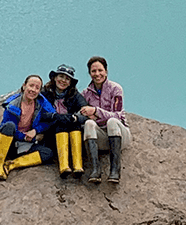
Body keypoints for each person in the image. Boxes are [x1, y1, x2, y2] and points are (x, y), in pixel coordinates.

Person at [0, 74, 56, 180]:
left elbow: (52, 119)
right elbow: (8, 126)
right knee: (9, 126)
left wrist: (36, 130)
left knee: (47, 153)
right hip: (7, 140)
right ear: (24, 86)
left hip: (24, 144)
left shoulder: (42, 103)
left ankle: (12, 164)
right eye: (31, 86)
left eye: (37, 88)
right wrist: (25, 137)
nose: (33, 90)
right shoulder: (12, 104)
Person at [80, 56, 131, 184]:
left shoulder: (116, 89)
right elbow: (81, 113)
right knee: (88, 123)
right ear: (89, 73)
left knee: (112, 121)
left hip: (119, 136)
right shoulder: (85, 93)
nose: (97, 74)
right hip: (102, 139)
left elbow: (117, 115)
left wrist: (96, 111)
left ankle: (115, 171)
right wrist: (89, 116)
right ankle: (95, 170)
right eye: (93, 71)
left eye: (100, 70)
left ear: (106, 71)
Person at [40, 64, 89, 178]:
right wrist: (55, 116)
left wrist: (75, 118)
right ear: (55, 78)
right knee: (61, 124)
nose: (63, 81)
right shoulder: (45, 93)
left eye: (67, 79)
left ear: (70, 82)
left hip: (71, 133)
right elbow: (40, 113)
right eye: (61, 77)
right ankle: (63, 166)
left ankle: (77, 166)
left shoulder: (75, 95)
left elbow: (85, 112)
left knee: (74, 124)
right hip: (51, 133)